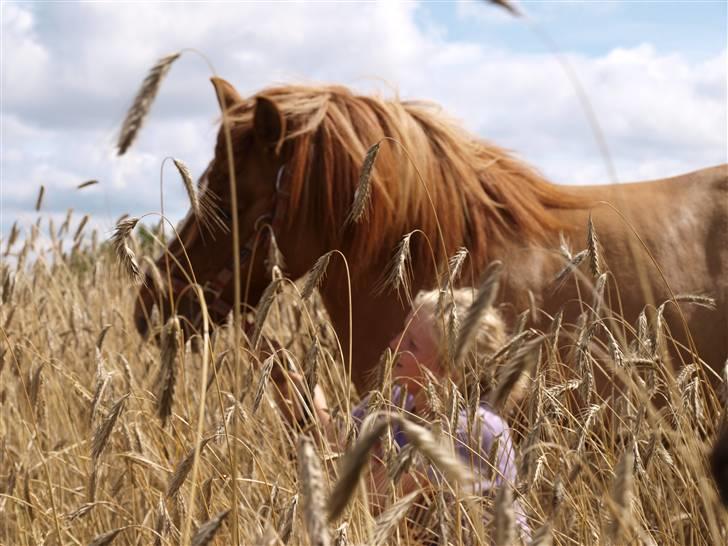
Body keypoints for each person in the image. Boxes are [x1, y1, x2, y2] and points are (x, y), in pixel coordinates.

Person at [273, 288, 528, 540]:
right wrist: (294, 389)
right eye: (401, 331)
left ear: (450, 369)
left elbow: (367, 497)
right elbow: (338, 447)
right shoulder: (398, 398)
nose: (394, 344)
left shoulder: (473, 429)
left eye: (412, 344)